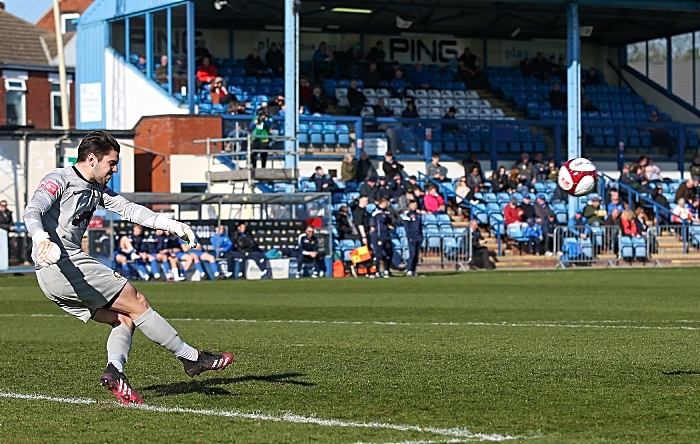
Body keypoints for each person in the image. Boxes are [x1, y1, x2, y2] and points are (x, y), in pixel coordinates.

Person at [22, 131, 234, 405]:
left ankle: (115, 373)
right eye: (111, 163)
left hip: (51, 279)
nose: (115, 168)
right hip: (62, 263)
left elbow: (130, 209)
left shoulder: (96, 189)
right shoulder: (59, 179)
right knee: (138, 301)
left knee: (123, 318)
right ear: (91, 159)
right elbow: (32, 211)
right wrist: (41, 239)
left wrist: (171, 224)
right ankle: (192, 358)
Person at [370, 197, 393, 278]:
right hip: (378, 235)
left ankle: (387, 270)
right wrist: (387, 218)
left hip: (386, 235)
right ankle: (377, 271)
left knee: (389, 252)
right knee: (378, 254)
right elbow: (383, 219)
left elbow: (390, 220)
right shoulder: (376, 211)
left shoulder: (386, 211)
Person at [401, 200, 423, 277]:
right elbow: (407, 227)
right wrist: (409, 236)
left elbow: (420, 226)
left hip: (419, 236)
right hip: (412, 236)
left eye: (415, 205)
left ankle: (413, 270)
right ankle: (409, 269)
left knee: (416, 254)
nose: (414, 206)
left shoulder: (418, 215)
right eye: (413, 205)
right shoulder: (407, 215)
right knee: (412, 253)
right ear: (410, 205)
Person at [250, 104, 272, 169]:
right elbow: (251, 126)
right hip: (256, 138)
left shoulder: (269, 118)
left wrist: (265, 119)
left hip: (264, 138)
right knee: (253, 153)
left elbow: (269, 124)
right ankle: (254, 167)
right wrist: (255, 122)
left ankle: (263, 167)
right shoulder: (256, 117)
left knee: (263, 155)